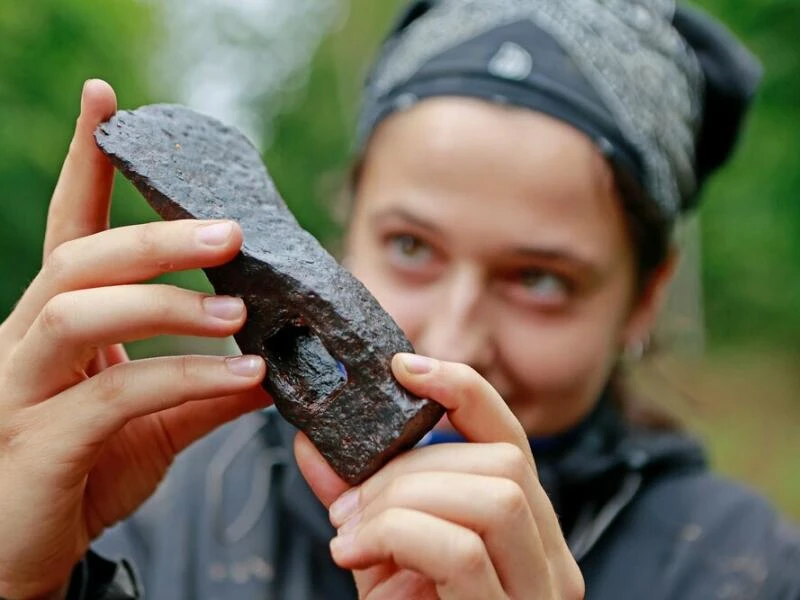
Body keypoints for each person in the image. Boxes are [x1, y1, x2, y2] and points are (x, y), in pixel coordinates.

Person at [1, 0, 798, 598]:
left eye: (541, 280)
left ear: (644, 299)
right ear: (342, 227)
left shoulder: (744, 569)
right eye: (411, 247)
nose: (450, 340)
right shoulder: (159, 509)